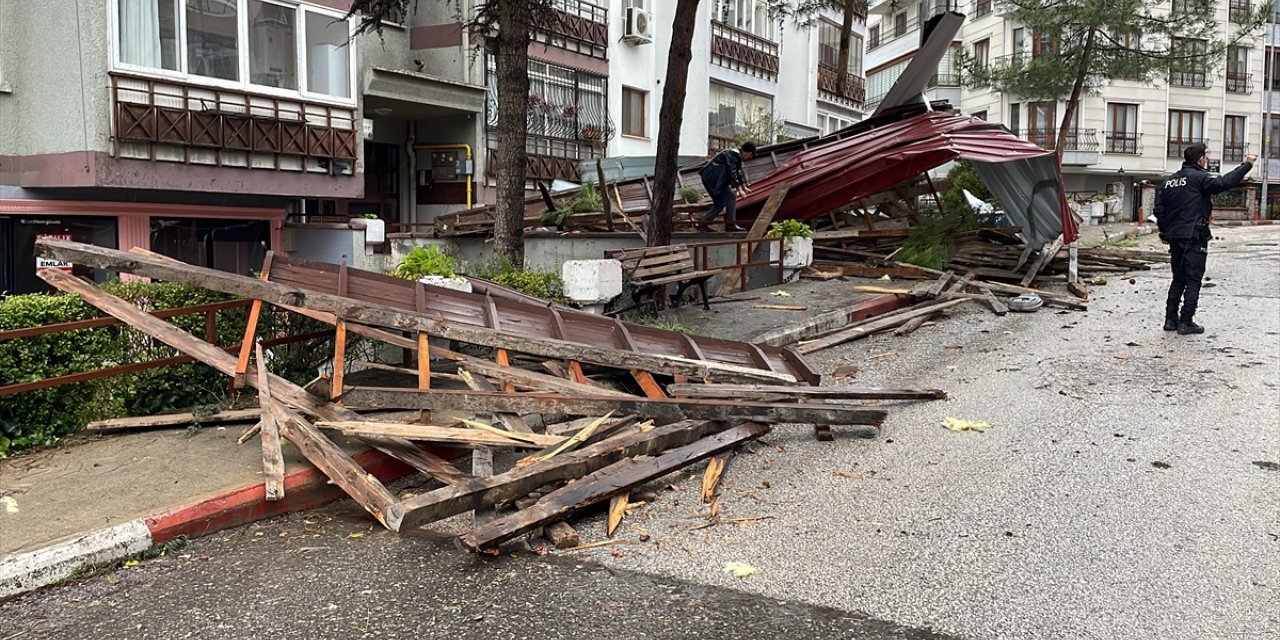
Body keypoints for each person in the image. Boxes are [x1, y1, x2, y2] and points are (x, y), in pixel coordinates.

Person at [1153, 143, 1255, 334]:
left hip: (1175, 237)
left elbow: (1159, 210)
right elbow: (1224, 183)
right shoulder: (1200, 178)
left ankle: (1170, 320)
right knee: (1193, 279)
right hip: (1194, 236)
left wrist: (1164, 232)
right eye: (1205, 157)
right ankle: (1186, 321)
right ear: (1200, 159)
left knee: (1178, 278)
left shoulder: (1169, 182)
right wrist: (1246, 165)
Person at [697, 142, 757, 232]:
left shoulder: (737, 157)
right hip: (712, 179)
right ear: (748, 152)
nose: (750, 158)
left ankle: (703, 224)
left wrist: (744, 187)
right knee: (730, 197)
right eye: (751, 155)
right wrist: (739, 190)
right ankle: (730, 225)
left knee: (720, 203)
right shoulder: (731, 154)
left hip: (716, 180)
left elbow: (738, 173)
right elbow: (732, 172)